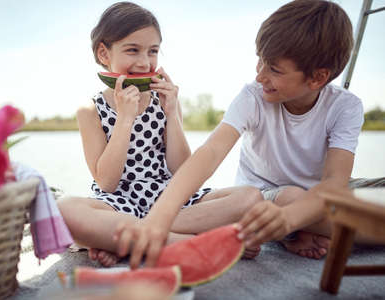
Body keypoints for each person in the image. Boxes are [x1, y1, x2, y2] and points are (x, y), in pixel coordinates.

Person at [113, 0, 372, 269]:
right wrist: (160, 217)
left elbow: (333, 184)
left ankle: (295, 230)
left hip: (312, 202)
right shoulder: (253, 97)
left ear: (317, 78)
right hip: (267, 197)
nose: (260, 76)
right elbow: (211, 152)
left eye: (274, 69)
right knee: (292, 198)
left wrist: (290, 220)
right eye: (260, 62)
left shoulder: (346, 106)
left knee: (365, 199)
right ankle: (299, 230)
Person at [58, 1, 262, 267]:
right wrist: (125, 119)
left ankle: (130, 241)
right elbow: (107, 182)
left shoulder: (161, 99)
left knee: (250, 198)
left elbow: (181, 169)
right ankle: (186, 242)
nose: (144, 63)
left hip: (168, 199)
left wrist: (172, 112)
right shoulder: (89, 109)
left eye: (152, 51)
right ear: (104, 53)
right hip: (118, 203)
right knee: (64, 210)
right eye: (132, 50)